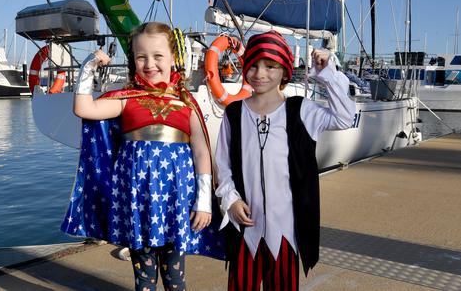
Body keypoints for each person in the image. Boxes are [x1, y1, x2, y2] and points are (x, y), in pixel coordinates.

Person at [63, 22, 223, 291]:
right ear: (133, 60)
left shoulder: (186, 102)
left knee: (175, 278)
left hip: (175, 202)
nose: (150, 63)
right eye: (141, 56)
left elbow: (201, 150)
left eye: (158, 56)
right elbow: (84, 108)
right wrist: (89, 66)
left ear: (173, 58)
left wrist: (204, 201)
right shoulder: (127, 98)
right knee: (145, 281)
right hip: (137, 204)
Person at [214, 30, 356, 290]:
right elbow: (222, 164)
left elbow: (345, 117)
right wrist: (231, 199)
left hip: (286, 230)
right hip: (246, 228)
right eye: (254, 65)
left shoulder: (302, 110)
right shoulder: (234, 113)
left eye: (270, 66)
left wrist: (328, 75)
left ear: (285, 72)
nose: (260, 73)